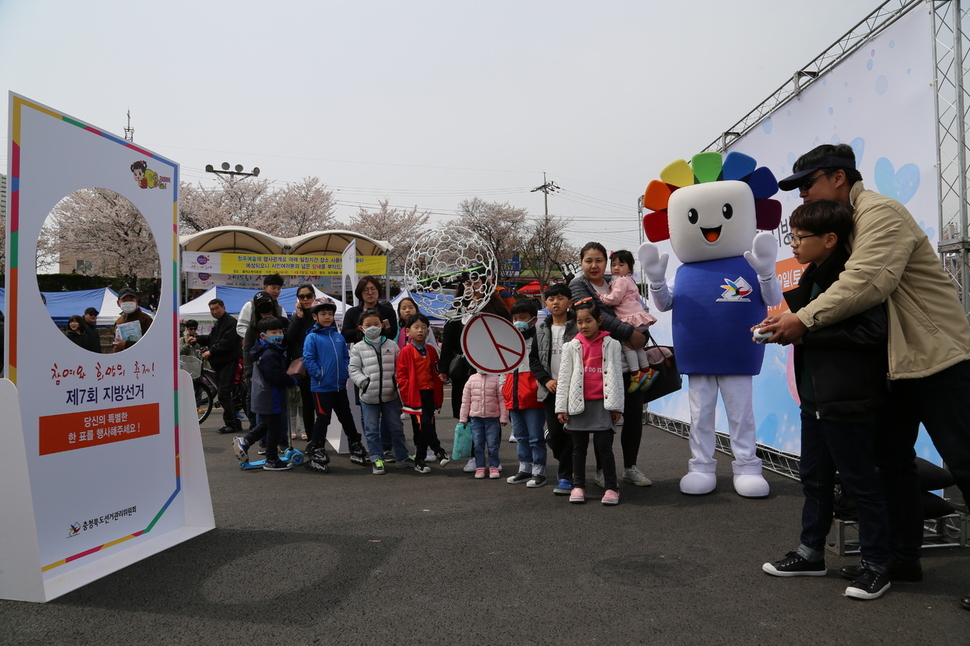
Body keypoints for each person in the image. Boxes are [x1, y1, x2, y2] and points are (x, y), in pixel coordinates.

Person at [756, 144, 970, 607]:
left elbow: (867, 281)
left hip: (938, 359)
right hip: (895, 365)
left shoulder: (879, 214)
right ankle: (900, 559)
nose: (803, 196)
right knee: (892, 465)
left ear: (838, 178)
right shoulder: (844, 222)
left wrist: (802, 321)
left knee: (964, 461)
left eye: (807, 184)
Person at [760, 200, 891, 600]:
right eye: (792, 237)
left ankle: (877, 566)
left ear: (830, 239)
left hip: (848, 399)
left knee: (859, 484)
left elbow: (871, 334)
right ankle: (810, 553)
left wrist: (805, 333)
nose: (793, 245)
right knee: (814, 479)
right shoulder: (814, 276)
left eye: (799, 238)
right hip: (815, 400)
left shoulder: (854, 278)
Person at [569, 242, 652, 487]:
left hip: (628, 365)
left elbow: (639, 311)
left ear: (606, 262)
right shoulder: (578, 285)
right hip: (599, 367)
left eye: (599, 260)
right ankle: (602, 471)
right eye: (588, 260)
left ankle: (630, 467)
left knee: (634, 417)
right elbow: (599, 318)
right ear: (581, 263)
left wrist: (642, 336)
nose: (594, 265)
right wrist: (632, 335)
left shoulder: (616, 283)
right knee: (604, 423)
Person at [437, 275, 511, 472]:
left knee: (493, 414)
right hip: (466, 371)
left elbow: (507, 332)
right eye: (468, 284)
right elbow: (448, 339)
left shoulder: (496, 307)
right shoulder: (457, 310)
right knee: (469, 412)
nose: (472, 287)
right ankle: (474, 456)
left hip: (493, 367)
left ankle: (493, 458)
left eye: (476, 283)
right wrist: (443, 368)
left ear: (485, 284)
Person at [555, 300, 624, 505]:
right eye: (579, 322)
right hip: (578, 404)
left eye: (588, 321)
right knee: (578, 448)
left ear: (599, 321)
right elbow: (564, 377)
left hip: (603, 404)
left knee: (604, 447)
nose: (584, 325)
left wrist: (617, 406)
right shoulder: (571, 346)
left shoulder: (612, 344)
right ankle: (578, 486)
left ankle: (612, 488)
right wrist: (561, 407)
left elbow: (617, 377)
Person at [303, 300, 366, 471]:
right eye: (323, 314)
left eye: (330, 314)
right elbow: (308, 359)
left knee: (346, 416)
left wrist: (346, 372)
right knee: (323, 419)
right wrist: (319, 375)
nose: (327, 317)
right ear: (315, 316)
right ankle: (316, 448)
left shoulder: (339, 337)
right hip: (321, 387)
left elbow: (346, 357)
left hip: (339, 386)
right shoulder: (312, 337)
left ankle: (355, 444)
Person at [348, 308, 413, 474]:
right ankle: (376, 458)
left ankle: (402, 457)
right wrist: (364, 383)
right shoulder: (358, 347)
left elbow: (400, 368)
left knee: (397, 428)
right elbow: (353, 369)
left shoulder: (392, 345)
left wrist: (397, 384)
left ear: (382, 325)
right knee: (371, 430)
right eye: (368, 325)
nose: (372, 327)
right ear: (361, 328)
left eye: (376, 324)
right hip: (368, 397)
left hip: (390, 396)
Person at [531, 283, 579, 496]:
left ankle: (566, 477)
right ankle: (569, 471)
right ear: (545, 303)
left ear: (569, 302)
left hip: (575, 390)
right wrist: (546, 380)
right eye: (551, 299)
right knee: (557, 436)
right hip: (550, 391)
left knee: (573, 434)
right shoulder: (540, 329)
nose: (555, 302)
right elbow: (534, 361)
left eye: (560, 298)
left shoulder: (578, 326)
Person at [232, 317, 297, 471]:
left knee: (267, 424)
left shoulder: (264, 350)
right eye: (273, 332)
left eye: (280, 331)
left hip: (264, 395)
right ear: (263, 335)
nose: (279, 334)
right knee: (274, 427)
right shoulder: (269, 354)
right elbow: (275, 375)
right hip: (270, 396)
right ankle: (271, 459)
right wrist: (291, 380)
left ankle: (246, 441)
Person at [501, 300, 548, 488]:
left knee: (536, 437)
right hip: (513, 395)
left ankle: (539, 472)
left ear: (533, 320)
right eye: (515, 318)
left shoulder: (539, 340)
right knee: (520, 436)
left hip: (533, 396)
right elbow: (502, 369)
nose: (518, 322)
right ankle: (524, 469)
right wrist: (503, 390)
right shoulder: (508, 342)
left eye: (523, 318)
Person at [398, 313, 450, 474]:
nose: (420, 330)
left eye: (423, 328)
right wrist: (407, 394)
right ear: (408, 331)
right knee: (424, 424)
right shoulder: (406, 351)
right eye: (416, 327)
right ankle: (439, 451)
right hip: (415, 395)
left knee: (423, 428)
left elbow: (436, 371)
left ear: (428, 332)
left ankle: (419, 460)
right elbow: (401, 376)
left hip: (429, 394)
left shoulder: (432, 350)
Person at [600, 249, 658, 392]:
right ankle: (646, 370)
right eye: (613, 265)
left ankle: (635, 374)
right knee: (638, 347)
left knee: (628, 346)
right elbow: (637, 298)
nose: (616, 268)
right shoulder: (630, 280)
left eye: (621, 265)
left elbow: (615, 298)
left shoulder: (620, 281)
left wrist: (600, 297)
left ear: (629, 268)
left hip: (629, 318)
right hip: (639, 318)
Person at [195, 299, 242, 434]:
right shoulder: (219, 323)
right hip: (220, 363)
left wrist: (211, 351)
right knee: (225, 393)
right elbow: (211, 339)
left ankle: (231, 424)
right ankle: (235, 423)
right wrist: (197, 339)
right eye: (212, 309)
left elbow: (226, 342)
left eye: (216, 308)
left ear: (223, 307)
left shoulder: (230, 322)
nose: (214, 312)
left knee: (223, 394)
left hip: (228, 362)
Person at [286, 284, 320, 442]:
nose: (305, 299)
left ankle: (319, 438)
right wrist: (298, 318)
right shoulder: (295, 318)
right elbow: (288, 339)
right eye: (301, 296)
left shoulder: (321, 313)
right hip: (303, 369)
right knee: (307, 405)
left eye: (308, 296)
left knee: (321, 406)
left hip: (321, 366)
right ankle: (312, 439)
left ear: (314, 296)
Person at [460, 369, 508, 479]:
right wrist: (463, 417)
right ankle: (480, 467)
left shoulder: (496, 379)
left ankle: (494, 466)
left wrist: (504, 417)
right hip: (476, 418)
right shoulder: (472, 379)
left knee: (493, 444)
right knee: (478, 444)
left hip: (493, 418)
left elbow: (502, 400)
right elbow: (466, 401)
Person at [341, 275, 398, 345]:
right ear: (360, 293)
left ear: (378, 290)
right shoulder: (352, 312)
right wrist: (365, 330)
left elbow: (392, 334)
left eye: (373, 288)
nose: (370, 292)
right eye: (365, 290)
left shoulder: (388, 311)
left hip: (383, 350)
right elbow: (345, 335)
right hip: (360, 352)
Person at [236, 274, 287, 341]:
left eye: (279, 288)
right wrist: (256, 338)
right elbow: (241, 327)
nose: (276, 291)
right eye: (273, 288)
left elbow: (285, 328)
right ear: (265, 288)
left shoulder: (280, 309)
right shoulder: (250, 305)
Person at [112, 287, 152, 352]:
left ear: (136, 301)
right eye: (124, 300)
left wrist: (126, 344)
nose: (128, 302)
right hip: (121, 360)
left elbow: (151, 343)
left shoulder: (145, 319)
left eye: (131, 299)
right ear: (118, 303)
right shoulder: (119, 321)